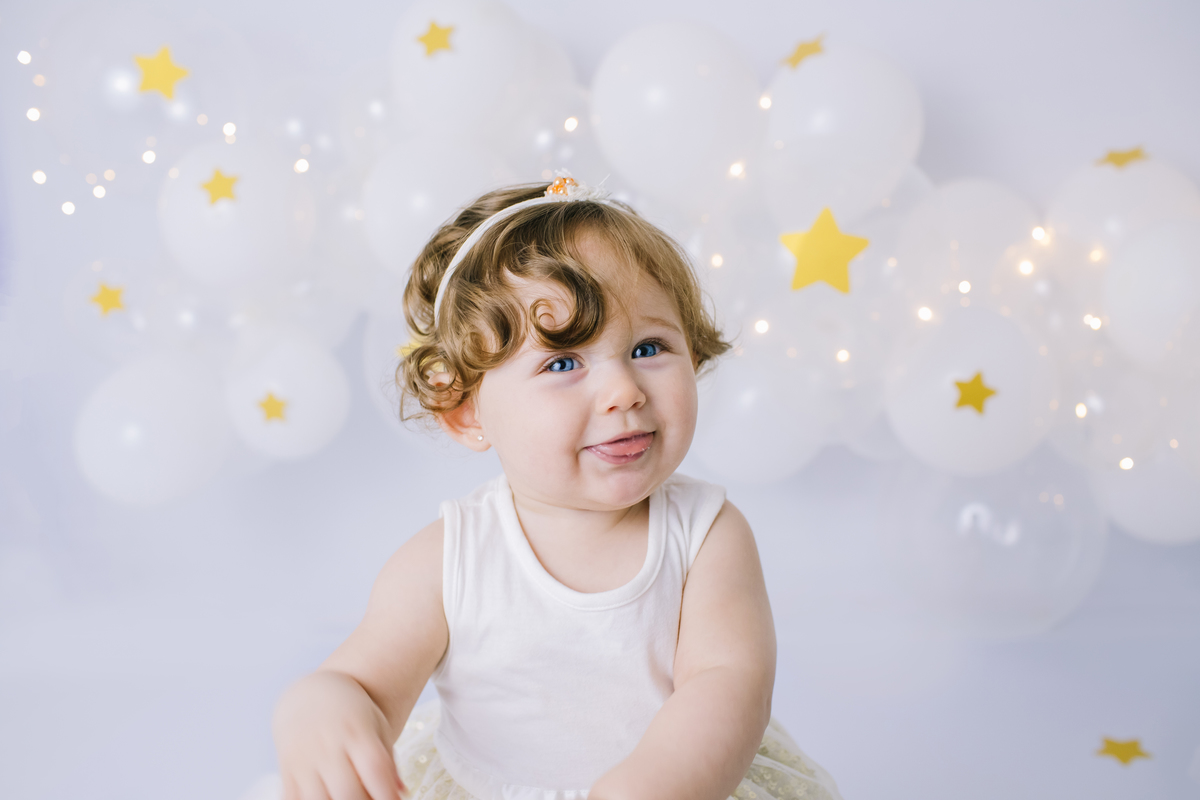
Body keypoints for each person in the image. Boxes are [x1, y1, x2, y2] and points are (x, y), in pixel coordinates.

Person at [272, 175, 842, 800]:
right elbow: (366, 684)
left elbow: (728, 683)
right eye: (563, 362)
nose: (623, 391)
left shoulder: (706, 535)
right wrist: (320, 706)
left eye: (648, 347)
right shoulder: (446, 561)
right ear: (466, 411)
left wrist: (651, 784)